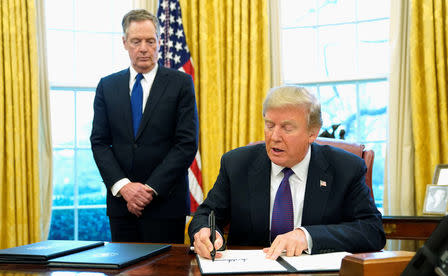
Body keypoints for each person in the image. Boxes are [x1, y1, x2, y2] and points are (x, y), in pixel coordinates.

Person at [189, 86, 385, 259]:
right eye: (269, 125)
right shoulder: (237, 164)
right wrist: (204, 231)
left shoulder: (345, 168)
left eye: (287, 128)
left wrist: (307, 236)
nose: (274, 136)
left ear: (312, 132)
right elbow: (206, 214)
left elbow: (372, 231)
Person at [90, 9, 198, 243]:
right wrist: (125, 187)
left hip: (166, 205)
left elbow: (186, 144)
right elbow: (99, 142)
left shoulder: (180, 83)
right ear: (124, 43)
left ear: (159, 42)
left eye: (150, 41)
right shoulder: (107, 86)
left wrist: (149, 190)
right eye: (136, 41)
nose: (143, 48)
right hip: (122, 206)